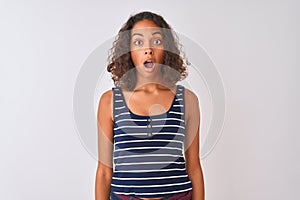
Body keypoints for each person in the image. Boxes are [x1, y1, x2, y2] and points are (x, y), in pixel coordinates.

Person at [95, 11, 205, 200]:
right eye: (138, 42)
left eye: (156, 41)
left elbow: (193, 166)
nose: (148, 50)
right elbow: (105, 171)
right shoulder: (109, 102)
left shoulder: (187, 100)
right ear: (128, 51)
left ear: (167, 49)